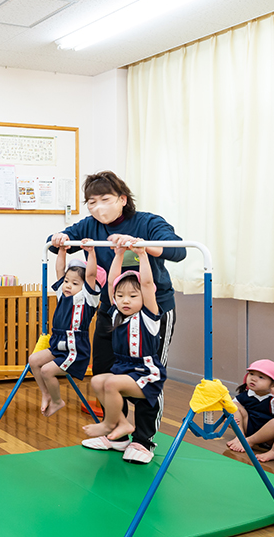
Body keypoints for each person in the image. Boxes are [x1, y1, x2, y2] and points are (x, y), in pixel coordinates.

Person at [50, 170, 185, 464]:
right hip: (111, 309)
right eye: (91, 202)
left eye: (105, 199)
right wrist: (59, 238)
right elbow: (57, 241)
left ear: (122, 199)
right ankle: (117, 432)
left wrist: (139, 243)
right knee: (105, 371)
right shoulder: (90, 225)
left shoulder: (148, 221)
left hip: (151, 309)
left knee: (148, 374)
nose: (98, 207)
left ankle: (144, 440)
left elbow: (177, 251)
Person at [84, 242, 166, 442]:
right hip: (124, 369)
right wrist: (119, 254)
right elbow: (112, 283)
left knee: (110, 383)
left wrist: (143, 254)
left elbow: (146, 284)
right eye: (120, 296)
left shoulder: (148, 317)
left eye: (132, 296)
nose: (125, 300)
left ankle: (109, 424)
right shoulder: (116, 315)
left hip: (146, 373)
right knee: (97, 380)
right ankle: (122, 422)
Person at [28, 241, 103, 417]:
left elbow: (91, 274)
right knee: (34, 360)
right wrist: (62, 251)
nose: (68, 285)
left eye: (75, 283)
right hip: (58, 344)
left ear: (85, 287)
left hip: (75, 349)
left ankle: (57, 400)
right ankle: (46, 393)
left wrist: (91, 252)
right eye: (68, 282)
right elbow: (60, 271)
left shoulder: (87, 298)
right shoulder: (64, 293)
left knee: (47, 370)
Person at [226, 360, 274, 455]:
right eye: (251, 374)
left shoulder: (273, 399)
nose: (253, 379)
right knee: (233, 406)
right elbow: (231, 410)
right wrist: (229, 420)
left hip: (269, 437)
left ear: (273, 384)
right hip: (249, 428)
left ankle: (271, 450)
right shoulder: (246, 395)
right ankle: (240, 437)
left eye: (261, 377)